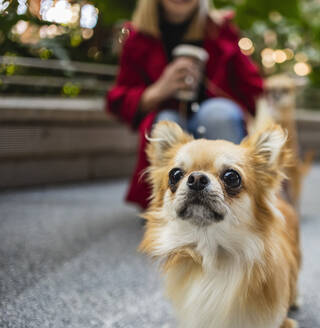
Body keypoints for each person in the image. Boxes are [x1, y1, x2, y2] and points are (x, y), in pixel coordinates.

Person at [106, 0, 264, 209]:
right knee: (167, 121)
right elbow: (119, 99)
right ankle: (169, 203)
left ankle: (231, 198)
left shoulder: (220, 30)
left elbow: (252, 83)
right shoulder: (137, 37)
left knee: (218, 113)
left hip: (215, 116)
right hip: (168, 116)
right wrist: (161, 88)